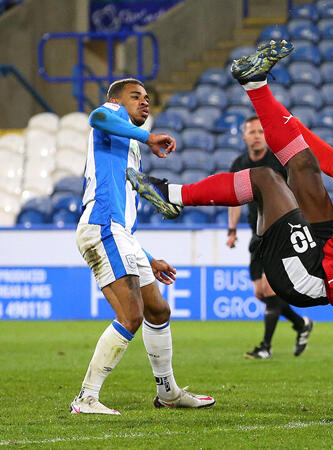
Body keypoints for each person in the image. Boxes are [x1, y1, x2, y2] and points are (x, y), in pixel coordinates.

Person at [128, 40, 333, 419]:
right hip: (325, 243)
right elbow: (332, 162)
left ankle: (172, 196)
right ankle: (255, 84)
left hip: (314, 277)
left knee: (265, 177)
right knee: (304, 163)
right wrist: (291, 127)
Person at [71, 78, 215, 414]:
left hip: (120, 233)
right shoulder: (110, 121)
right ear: (117, 102)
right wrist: (148, 137)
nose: (145, 102)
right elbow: (96, 117)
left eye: (148, 98)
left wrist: (148, 258)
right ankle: (86, 398)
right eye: (136, 97)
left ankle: (168, 392)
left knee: (157, 311)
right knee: (131, 315)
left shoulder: (130, 147)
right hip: (101, 226)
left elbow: (126, 216)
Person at [226, 115, 313, 359]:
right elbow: (234, 200)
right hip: (257, 233)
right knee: (261, 292)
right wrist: (232, 230)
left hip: (280, 232)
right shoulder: (239, 163)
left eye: (260, 132)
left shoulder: (277, 162)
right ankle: (301, 324)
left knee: (269, 287)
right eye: (251, 132)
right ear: (243, 136)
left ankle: (265, 347)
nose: (256, 136)